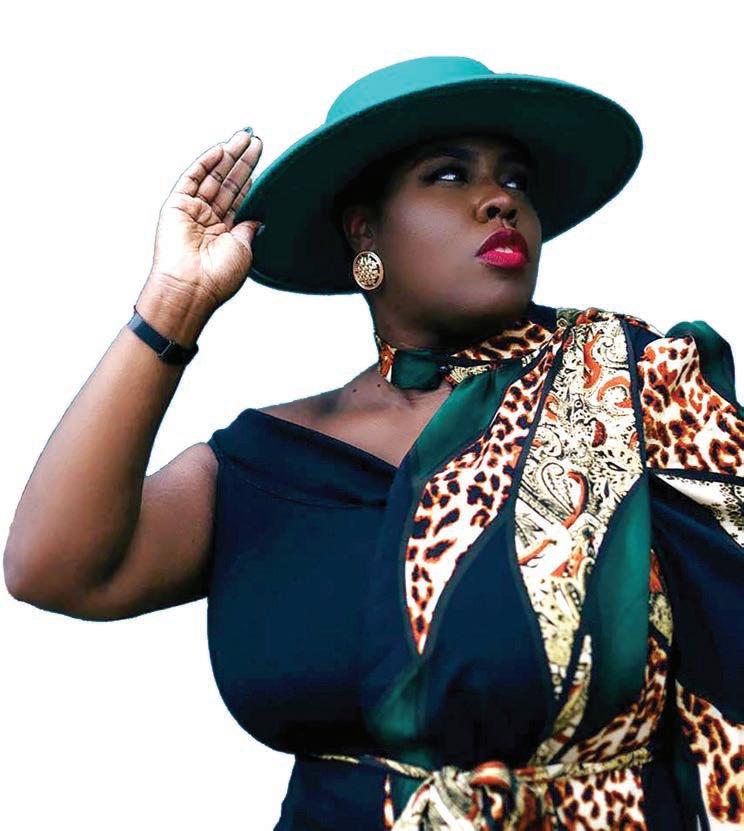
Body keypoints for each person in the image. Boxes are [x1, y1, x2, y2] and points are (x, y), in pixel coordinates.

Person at [4, 55, 742, 829]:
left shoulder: (631, 388)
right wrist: (173, 305)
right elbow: (52, 566)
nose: (501, 200)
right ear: (364, 231)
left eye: (516, 180)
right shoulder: (267, 461)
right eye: (449, 175)